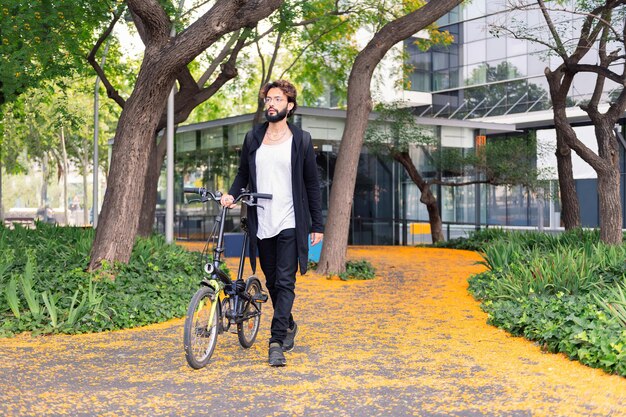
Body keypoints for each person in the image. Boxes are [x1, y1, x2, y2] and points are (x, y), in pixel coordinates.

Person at [220, 80, 323, 367]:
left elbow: (312, 185)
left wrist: (318, 224)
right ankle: (288, 322)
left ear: (289, 106)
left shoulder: (300, 140)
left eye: (277, 99)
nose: (271, 104)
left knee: (286, 280)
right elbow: (243, 174)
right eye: (268, 99)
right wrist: (232, 194)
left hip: (290, 218)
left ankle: (276, 340)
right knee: (273, 281)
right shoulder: (254, 138)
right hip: (261, 219)